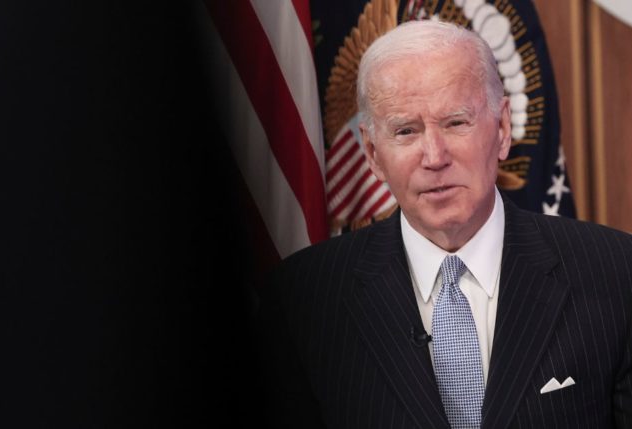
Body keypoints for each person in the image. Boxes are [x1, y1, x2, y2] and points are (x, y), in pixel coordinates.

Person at [258, 20, 632, 428]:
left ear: (503, 129)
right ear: (372, 153)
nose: (434, 156)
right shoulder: (304, 298)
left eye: (456, 122)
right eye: (405, 131)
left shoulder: (616, 272)